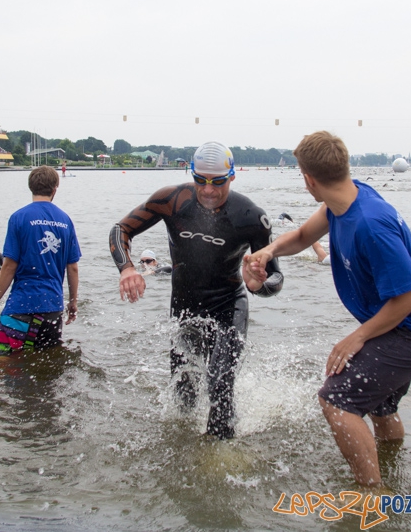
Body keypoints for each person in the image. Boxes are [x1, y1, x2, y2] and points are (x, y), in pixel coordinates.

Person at [244, 131, 411, 487]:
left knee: (336, 400)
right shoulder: (344, 201)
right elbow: (303, 236)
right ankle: (393, 468)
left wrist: (357, 338)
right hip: (403, 328)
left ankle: (372, 494)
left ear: (309, 179)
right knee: (381, 406)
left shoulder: (370, 224)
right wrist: (269, 251)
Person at [109, 141, 283, 439]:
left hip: (229, 306)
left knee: (220, 382)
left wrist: (259, 285)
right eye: (200, 180)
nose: (208, 190)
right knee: (183, 394)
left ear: (232, 176)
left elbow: (276, 278)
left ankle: (221, 454)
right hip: (184, 308)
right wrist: (126, 268)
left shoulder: (251, 217)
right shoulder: (172, 201)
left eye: (218, 182)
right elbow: (120, 229)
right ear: (192, 174)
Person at [0, 166, 80, 353]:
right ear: (55, 189)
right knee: (48, 363)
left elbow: (9, 266)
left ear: (31, 187)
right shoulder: (65, 220)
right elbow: (73, 268)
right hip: (52, 307)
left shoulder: (19, 217)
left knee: (4, 360)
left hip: (21, 305)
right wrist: (73, 302)